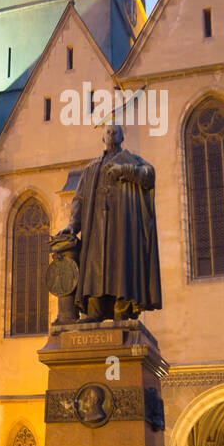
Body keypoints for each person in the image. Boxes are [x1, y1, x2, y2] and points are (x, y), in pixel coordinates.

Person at [58, 123, 162, 321]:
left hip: (122, 224)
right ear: (102, 138)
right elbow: (79, 199)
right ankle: (96, 310)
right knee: (95, 264)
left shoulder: (131, 160)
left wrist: (125, 170)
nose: (111, 135)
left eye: (115, 132)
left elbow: (150, 175)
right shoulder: (91, 168)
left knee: (122, 262)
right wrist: (73, 225)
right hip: (95, 225)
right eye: (108, 132)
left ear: (121, 138)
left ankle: (121, 309)